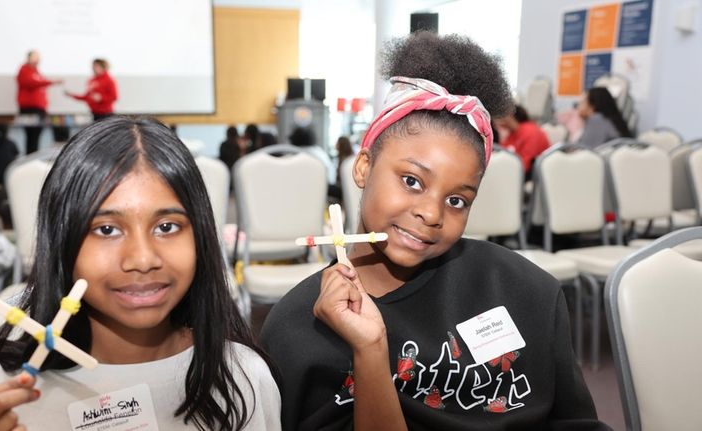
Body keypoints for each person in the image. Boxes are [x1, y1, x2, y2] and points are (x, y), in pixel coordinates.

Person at [260, 32, 609, 430]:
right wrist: (371, 350)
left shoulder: (526, 290)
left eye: (457, 200)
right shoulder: (297, 329)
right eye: (411, 180)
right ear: (362, 167)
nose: (431, 213)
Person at [0, 116, 280, 431]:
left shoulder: (242, 377)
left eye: (166, 226)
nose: (142, 259)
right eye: (106, 230)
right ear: (62, 241)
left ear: (201, 236)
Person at [16, 50, 62, 154]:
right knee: (31, 135)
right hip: (29, 109)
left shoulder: (36, 71)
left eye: (38, 57)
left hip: (39, 109)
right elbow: (31, 83)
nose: (38, 59)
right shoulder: (24, 70)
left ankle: (33, 157)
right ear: (28, 58)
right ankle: (30, 158)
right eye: (35, 57)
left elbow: (40, 85)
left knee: (36, 135)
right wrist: (51, 81)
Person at [494, 104, 551, 179]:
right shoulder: (512, 133)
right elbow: (501, 154)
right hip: (517, 172)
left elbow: (526, 164)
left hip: (533, 175)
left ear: (509, 115)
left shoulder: (530, 131)